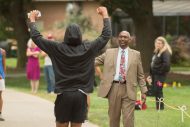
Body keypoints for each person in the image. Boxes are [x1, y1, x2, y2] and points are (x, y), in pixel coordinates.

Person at [28, 7, 111, 127]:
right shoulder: (88, 48)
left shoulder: (57, 48)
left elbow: (36, 37)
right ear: (80, 35)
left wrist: (32, 19)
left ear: (66, 34)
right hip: (81, 95)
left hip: (63, 94)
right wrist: (105, 14)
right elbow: (106, 35)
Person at [95, 31, 148, 127]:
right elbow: (94, 61)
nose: (122, 39)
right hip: (113, 88)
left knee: (128, 119)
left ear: (130, 39)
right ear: (117, 39)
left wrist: (144, 90)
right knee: (113, 118)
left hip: (129, 90)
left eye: (125, 37)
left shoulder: (136, 54)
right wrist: (81, 60)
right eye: (120, 37)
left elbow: (140, 75)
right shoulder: (109, 52)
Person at [149, 36, 172, 110]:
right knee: (156, 90)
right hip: (155, 75)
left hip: (160, 76)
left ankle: (160, 108)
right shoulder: (157, 51)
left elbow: (167, 65)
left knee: (158, 90)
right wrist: (150, 74)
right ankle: (158, 107)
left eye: (159, 43)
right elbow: (153, 63)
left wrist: (159, 72)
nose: (157, 44)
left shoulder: (165, 52)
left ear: (163, 44)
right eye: (156, 43)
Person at [0, 48, 6, 121]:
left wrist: (3, 75)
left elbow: (4, 64)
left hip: (0, 77)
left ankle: (0, 113)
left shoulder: (2, 51)